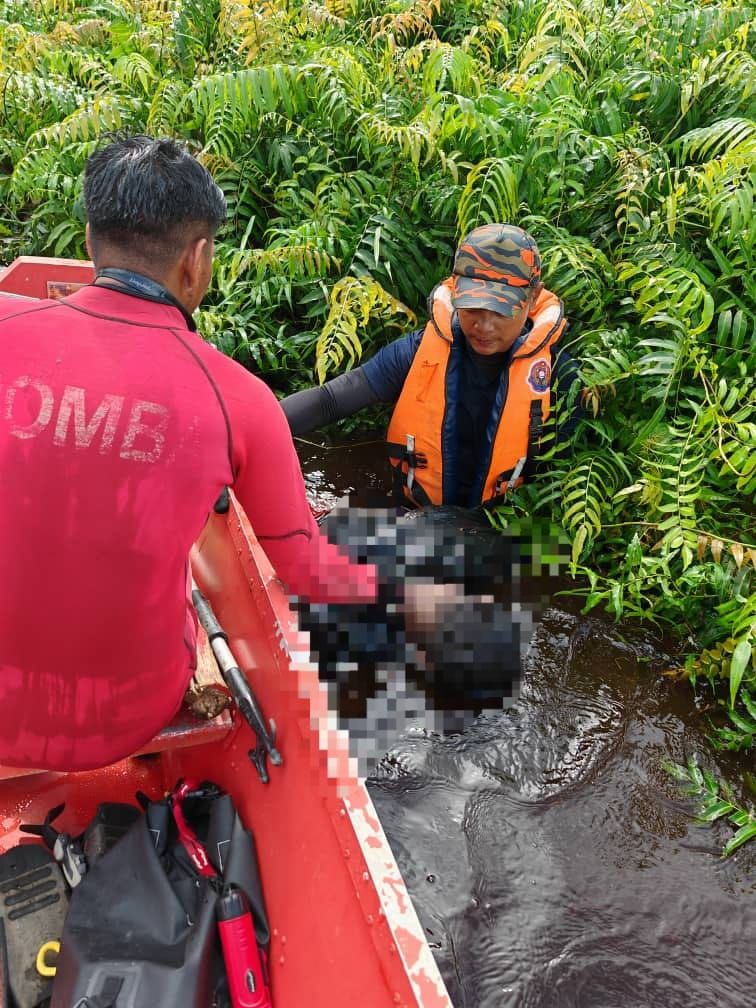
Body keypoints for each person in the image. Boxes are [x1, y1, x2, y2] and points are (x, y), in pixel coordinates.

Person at [0, 135, 388, 772]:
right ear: (198, 259)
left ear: (91, 240)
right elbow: (307, 573)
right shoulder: (238, 398)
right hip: (122, 719)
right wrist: (395, 590)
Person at [282, 224, 581, 508]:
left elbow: (563, 487)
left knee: (550, 555)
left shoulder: (559, 376)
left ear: (531, 297)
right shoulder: (419, 351)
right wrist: (245, 430)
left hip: (503, 531)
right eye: (473, 306)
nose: (484, 325)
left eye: (501, 310)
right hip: (420, 516)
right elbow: (330, 401)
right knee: (336, 534)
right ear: (456, 289)